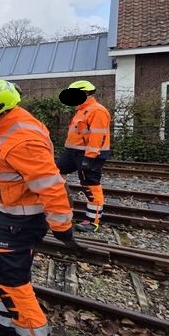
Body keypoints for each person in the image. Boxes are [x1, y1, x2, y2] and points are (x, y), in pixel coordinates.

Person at [0, 79, 79, 336]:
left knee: (14, 284)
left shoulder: (23, 138)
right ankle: (5, 326)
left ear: (2, 110)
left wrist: (62, 225)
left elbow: (51, 186)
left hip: (18, 222)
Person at [56, 80, 111, 232]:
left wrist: (90, 157)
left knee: (90, 185)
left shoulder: (97, 111)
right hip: (72, 152)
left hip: (88, 154)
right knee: (54, 173)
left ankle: (93, 221)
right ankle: (59, 208)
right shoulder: (81, 110)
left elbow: (97, 136)